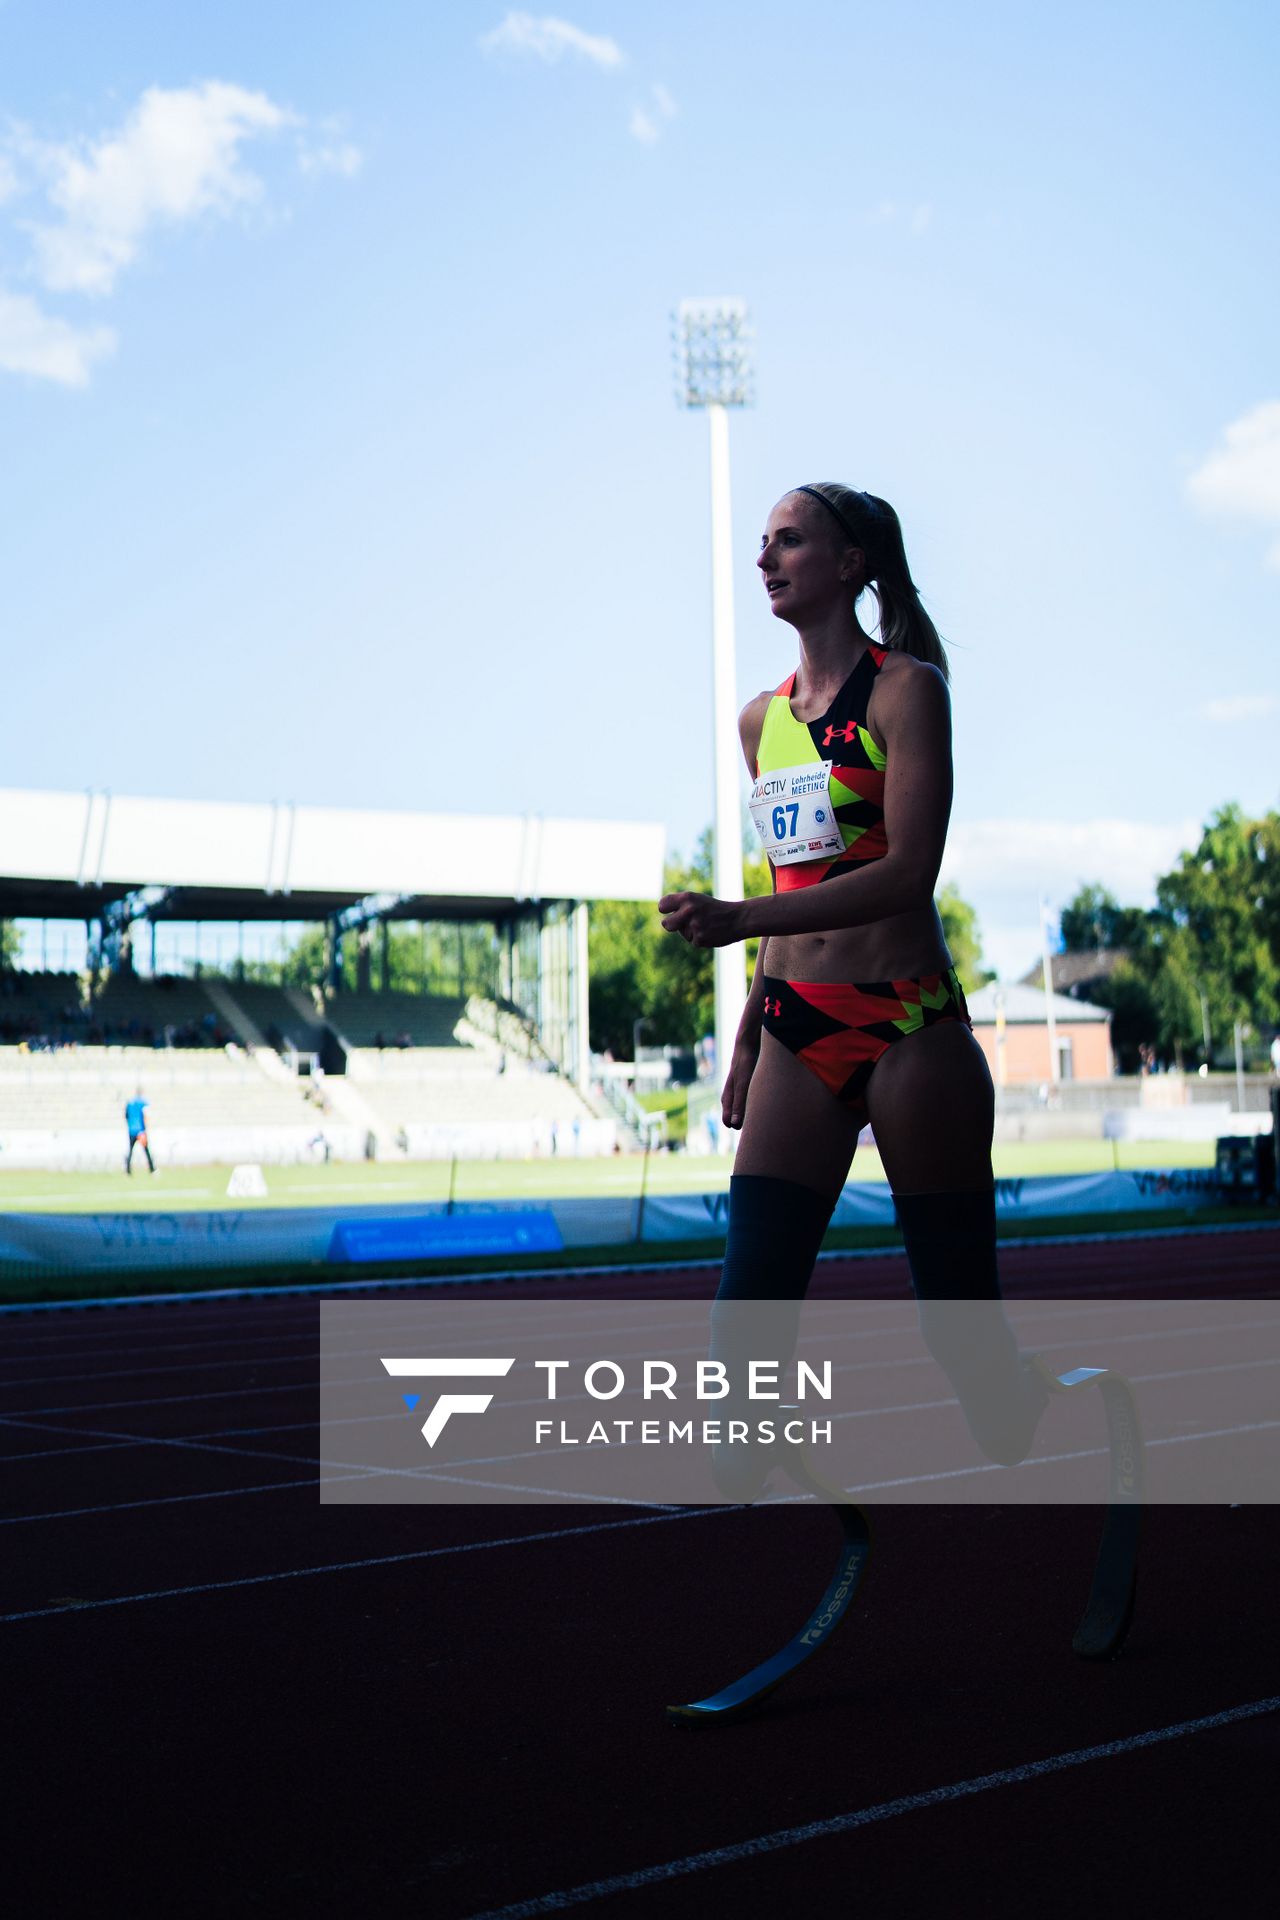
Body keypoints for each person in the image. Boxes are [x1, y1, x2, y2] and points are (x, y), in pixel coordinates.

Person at [660, 482, 1046, 1470]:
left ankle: (1030, 1417)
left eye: (788, 541)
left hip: (906, 1025)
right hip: (798, 1022)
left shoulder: (906, 691)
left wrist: (739, 918)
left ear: (848, 565)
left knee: (957, 1334)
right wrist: (749, 1029)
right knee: (744, 1323)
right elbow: (796, 884)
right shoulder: (760, 723)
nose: (765, 559)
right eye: (761, 543)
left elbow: (904, 872)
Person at [124, 1089, 155, 1175]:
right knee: (146, 1150)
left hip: (131, 1131)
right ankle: (152, 1170)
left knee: (130, 1150)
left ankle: (127, 1170)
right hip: (140, 1131)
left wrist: (130, 1125)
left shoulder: (129, 1103)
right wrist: (145, 1128)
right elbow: (145, 1115)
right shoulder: (143, 1103)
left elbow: (126, 1116)